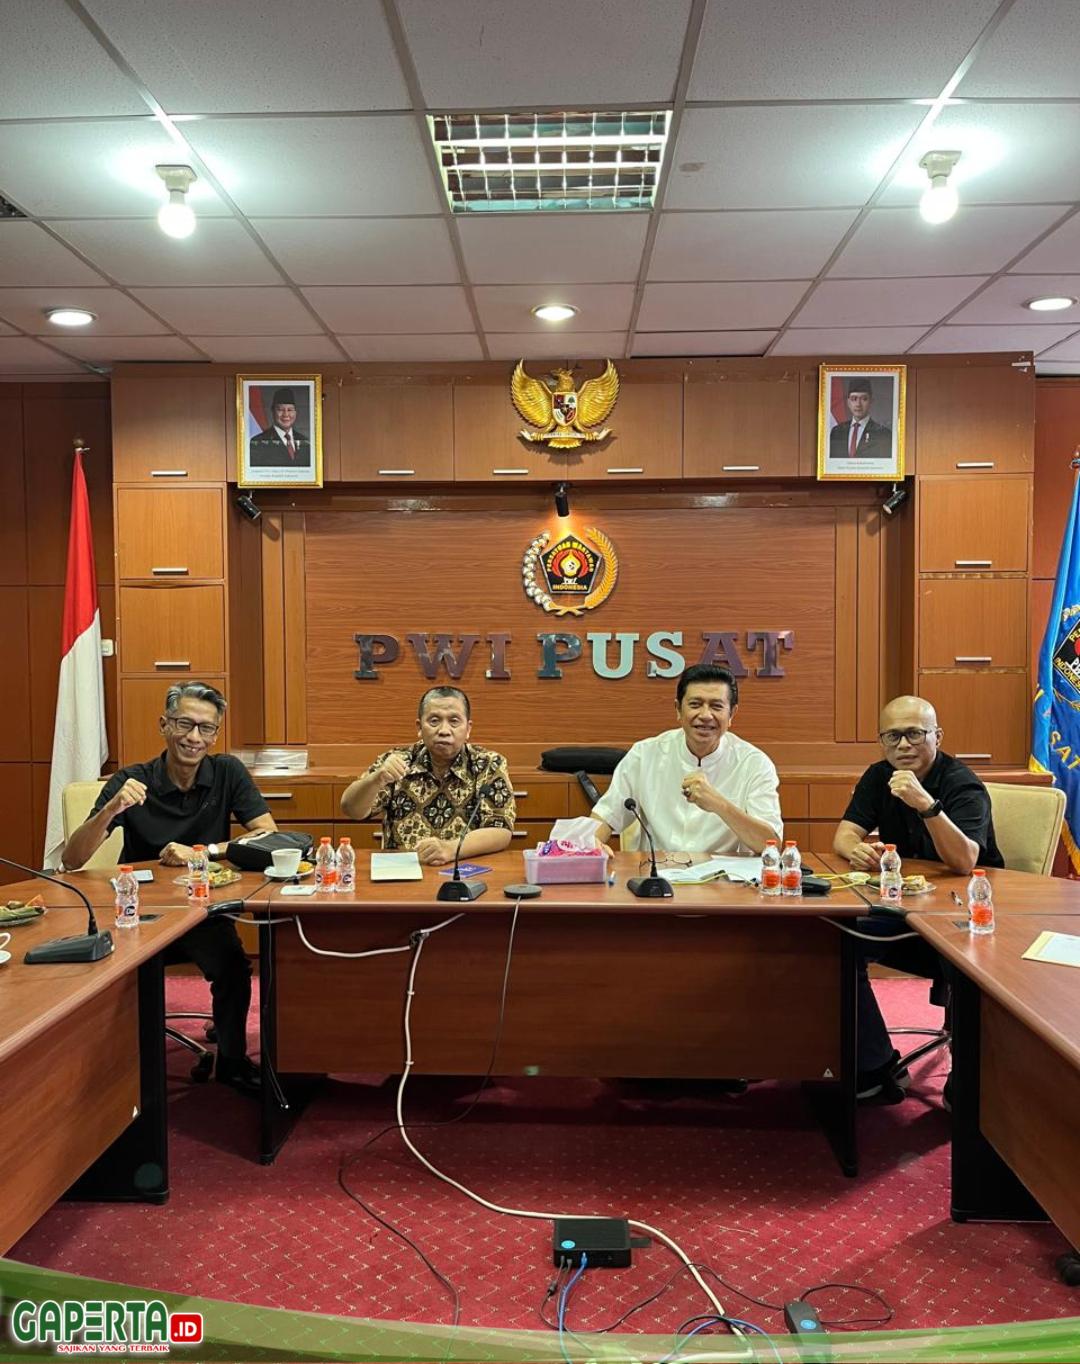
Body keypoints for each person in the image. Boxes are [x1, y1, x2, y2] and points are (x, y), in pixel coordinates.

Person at [62, 682, 276, 1097]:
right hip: (139, 915)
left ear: (215, 734)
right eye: (184, 724)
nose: (194, 737)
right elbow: (73, 859)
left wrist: (204, 851)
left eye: (206, 728)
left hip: (201, 911)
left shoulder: (226, 772)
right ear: (164, 725)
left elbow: (267, 835)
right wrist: (112, 808)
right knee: (112, 979)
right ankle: (119, 1077)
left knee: (233, 968)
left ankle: (232, 1062)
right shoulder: (132, 780)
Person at [833, 695, 1003, 1103]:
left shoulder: (962, 783)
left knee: (967, 966)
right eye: (892, 736)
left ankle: (970, 1086)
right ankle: (875, 1067)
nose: (903, 745)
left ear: (937, 737)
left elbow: (964, 861)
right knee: (838, 943)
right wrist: (857, 849)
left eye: (914, 734)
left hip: (968, 913)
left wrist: (926, 805)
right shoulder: (879, 776)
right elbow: (843, 835)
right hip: (907, 910)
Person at [589, 664, 782, 855]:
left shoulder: (754, 764)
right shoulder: (645, 754)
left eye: (716, 706)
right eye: (695, 704)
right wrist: (592, 842)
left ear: (731, 714)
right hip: (657, 871)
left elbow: (769, 845)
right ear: (678, 710)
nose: (705, 715)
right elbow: (606, 815)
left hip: (725, 874)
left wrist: (719, 804)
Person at [339, 686, 515, 864]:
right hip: (403, 869)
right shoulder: (398, 760)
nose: (444, 730)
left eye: (454, 721)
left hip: (462, 868)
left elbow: (501, 829)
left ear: (468, 729)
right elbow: (351, 809)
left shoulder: (488, 764)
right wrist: (375, 779)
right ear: (419, 727)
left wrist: (450, 849)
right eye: (434, 721)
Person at [829, 377, 892, 461]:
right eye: (854, 399)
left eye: (864, 399)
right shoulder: (836, 432)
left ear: (871, 402)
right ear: (848, 402)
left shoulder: (884, 435)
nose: (858, 404)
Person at [248, 387, 312, 467]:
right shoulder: (258, 442)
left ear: (295, 412)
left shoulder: (305, 442)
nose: (286, 414)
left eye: (290, 410)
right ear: (272, 411)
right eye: (280, 410)